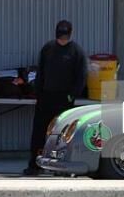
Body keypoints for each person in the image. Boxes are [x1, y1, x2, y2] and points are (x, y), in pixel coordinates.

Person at [26, 19, 87, 176]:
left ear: (70, 34)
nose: (62, 39)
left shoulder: (76, 52)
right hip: (46, 97)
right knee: (39, 132)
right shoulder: (48, 49)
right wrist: (38, 93)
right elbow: (41, 73)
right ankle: (34, 164)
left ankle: (61, 167)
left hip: (64, 99)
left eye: (65, 36)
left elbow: (81, 77)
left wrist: (71, 96)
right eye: (60, 36)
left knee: (62, 134)